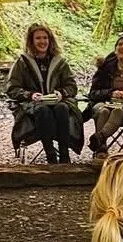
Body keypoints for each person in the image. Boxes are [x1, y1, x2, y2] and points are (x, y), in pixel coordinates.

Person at [6, 24, 82, 164]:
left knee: (62, 108)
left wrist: (61, 93)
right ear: (31, 41)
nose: (42, 41)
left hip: (57, 102)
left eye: (45, 38)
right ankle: (51, 155)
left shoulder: (60, 62)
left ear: (50, 40)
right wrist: (30, 95)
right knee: (43, 109)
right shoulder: (22, 63)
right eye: (38, 38)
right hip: (33, 104)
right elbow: (12, 88)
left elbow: (71, 86)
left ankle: (64, 155)